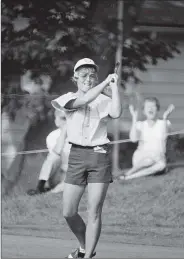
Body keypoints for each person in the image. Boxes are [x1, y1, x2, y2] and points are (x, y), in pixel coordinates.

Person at [51, 58, 121, 258]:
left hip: (99, 155)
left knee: (94, 211)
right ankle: (83, 247)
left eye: (92, 76)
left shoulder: (103, 99)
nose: (88, 79)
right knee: (68, 211)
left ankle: (87, 255)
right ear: (75, 78)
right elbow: (83, 101)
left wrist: (114, 88)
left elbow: (116, 112)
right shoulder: (67, 98)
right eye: (83, 76)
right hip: (77, 156)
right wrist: (104, 83)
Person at [118, 97, 175, 181]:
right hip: (141, 158)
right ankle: (130, 172)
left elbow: (163, 136)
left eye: (153, 106)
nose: (150, 108)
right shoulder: (140, 124)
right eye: (148, 106)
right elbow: (133, 139)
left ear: (157, 109)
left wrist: (165, 117)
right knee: (150, 160)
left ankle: (129, 176)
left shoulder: (164, 123)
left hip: (157, 158)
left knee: (161, 165)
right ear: (144, 111)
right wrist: (134, 118)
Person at [27, 110, 71, 195]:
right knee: (52, 157)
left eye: (68, 118)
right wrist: (64, 133)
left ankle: (49, 193)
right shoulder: (52, 136)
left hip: (73, 171)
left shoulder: (79, 134)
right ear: (56, 121)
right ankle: (40, 187)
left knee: (71, 182)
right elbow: (56, 153)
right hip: (60, 171)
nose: (67, 121)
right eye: (63, 118)